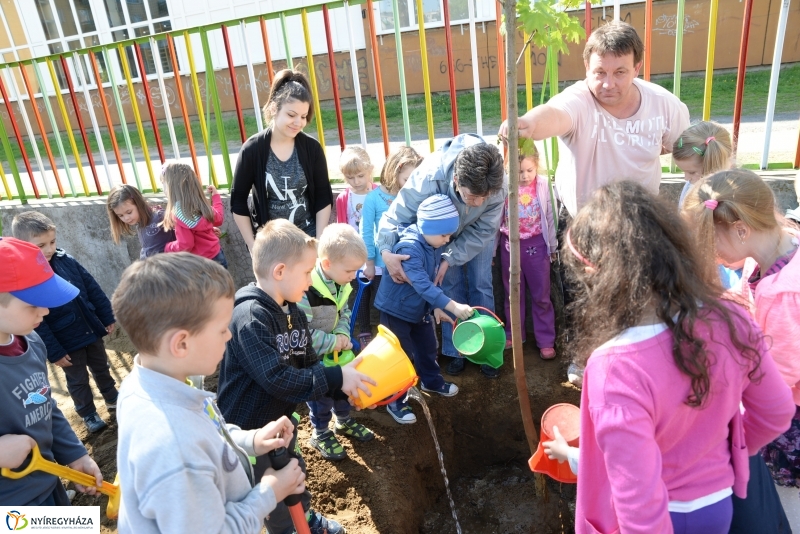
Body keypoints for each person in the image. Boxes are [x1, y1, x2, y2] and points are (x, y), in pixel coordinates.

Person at [564, 181, 794, 534]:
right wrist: (724, 450)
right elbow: (776, 412)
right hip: (719, 503)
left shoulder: (613, 368)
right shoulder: (731, 318)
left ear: (597, 276)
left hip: (668, 515)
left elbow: (640, 510)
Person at [111, 253, 306, 533]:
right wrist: (269, 493)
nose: (230, 336)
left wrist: (250, 439)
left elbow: (210, 431)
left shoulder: (150, 383)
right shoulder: (175, 448)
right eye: (222, 329)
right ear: (181, 344)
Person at [216, 219, 374, 534]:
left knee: (295, 473)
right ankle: (288, 529)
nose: (311, 280)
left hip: (280, 422)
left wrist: (344, 388)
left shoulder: (294, 313)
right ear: (280, 271)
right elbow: (277, 378)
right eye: (307, 272)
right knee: (272, 492)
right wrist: (335, 377)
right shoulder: (250, 318)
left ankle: (305, 518)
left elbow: (310, 364)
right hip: (248, 431)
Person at [683, 169, 799, 533]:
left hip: (788, 423)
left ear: (741, 230)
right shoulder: (770, 255)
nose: (712, 255)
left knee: (783, 508)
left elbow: (777, 380)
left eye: (711, 242)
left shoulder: (783, 294)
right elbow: (744, 307)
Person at [499, 21, 689, 219]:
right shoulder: (578, 100)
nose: (608, 84)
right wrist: (529, 123)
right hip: (582, 223)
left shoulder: (664, 104)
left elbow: (686, 149)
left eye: (620, 72)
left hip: (643, 222)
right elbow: (556, 114)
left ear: (636, 68)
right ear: (587, 67)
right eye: (600, 73)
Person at [376, 134, 505, 378]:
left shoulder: (497, 183)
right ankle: (457, 349)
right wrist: (385, 251)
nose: (478, 203)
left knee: (481, 282)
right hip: (438, 231)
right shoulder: (428, 176)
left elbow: (484, 229)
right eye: (471, 197)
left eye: (484, 198)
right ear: (456, 180)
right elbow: (396, 215)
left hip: (477, 234)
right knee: (448, 284)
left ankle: (486, 346)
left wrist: (450, 257)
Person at [0, 237, 103, 505]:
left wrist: (75, 455)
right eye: (33, 304)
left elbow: (44, 404)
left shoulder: (32, 341)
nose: (45, 311)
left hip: (48, 482)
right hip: (11, 506)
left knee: (73, 525)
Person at [12, 212, 118, 434]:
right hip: (66, 342)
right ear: (23, 246)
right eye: (41, 245)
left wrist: (106, 316)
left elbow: (92, 288)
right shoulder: (27, 279)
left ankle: (112, 398)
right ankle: (88, 413)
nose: (49, 249)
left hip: (90, 328)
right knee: (78, 380)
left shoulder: (66, 260)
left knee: (102, 367)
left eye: (52, 242)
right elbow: (38, 324)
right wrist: (55, 352)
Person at [375, 195, 474, 424]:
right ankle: (395, 400)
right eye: (444, 235)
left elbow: (430, 281)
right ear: (429, 228)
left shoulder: (432, 243)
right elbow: (422, 284)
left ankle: (431, 381)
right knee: (399, 356)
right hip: (396, 311)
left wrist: (435, 308)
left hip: (419, 310)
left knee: (428, 347)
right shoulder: (410, 247)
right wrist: (452, 306)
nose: (447, 240)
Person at [298, 224, 375, 461]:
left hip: (336, 352)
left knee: (343, 389)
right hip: (313, 357)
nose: (354, 276)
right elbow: (302, 333)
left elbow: (345, 312)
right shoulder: (305, 290)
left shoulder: (341, 282)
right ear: (327, 263)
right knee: (320, 397)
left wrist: (342, 333)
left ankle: (343, 420)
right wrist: (333, 341)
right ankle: (320, 432)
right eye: (350, 271)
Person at [230, 69, 332, 246]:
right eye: (291, 115)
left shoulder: (312, 149)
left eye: (303, 116)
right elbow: (238, 200)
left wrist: (319, 242)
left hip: (307, 239)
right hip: (271, 244)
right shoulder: (252, 150)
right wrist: (254, 247)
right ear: (273, 108)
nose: (298, 123)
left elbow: (323, 196)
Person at [498, 142, 557, 358]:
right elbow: (497, 217)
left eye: (529, 170)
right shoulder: (504, 186)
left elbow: (551, 217)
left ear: (537, 166)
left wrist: (552, 247)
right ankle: (514, 334)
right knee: (512, 294)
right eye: (518, 171)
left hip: (537, 247)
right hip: (509, 246)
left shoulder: (543, 185)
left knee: (541, 295)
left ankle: (546, 340)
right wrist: (494, 249)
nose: (524, 176)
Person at [335, 146, 378, 346]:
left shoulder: (379, 193)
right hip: (354, 257)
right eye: (350, 178)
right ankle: (364, 331)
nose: (356, 181)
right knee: (359, 295)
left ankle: (385, 329)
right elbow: (342, 226)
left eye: (360, 176)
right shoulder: (344, 198)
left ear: (370, 170)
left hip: (377, 255)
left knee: (380, 293)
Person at [161, 161, 227, 268]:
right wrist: (216, 196)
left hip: (199, 265)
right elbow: (218, 219)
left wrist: (169, 247)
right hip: (218, 256)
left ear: (171, 187)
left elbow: (186, 244)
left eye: (163, 183)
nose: (162, 188)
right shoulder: (201, 205)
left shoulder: (179, 213)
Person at [672, 121, 733, 208]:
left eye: (691, 172)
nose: (686, 178)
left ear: (713, 165)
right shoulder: (691, 186)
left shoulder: (735, 197)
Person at [106, 184, 176, 258]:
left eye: (129, 212)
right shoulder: (140, 224)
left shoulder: (160, 216)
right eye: (121, 215)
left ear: (138, 203)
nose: (126, 218)